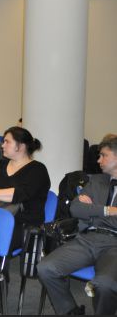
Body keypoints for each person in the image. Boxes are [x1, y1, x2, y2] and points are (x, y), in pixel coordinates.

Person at [37, 134, 117, 315]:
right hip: (88, 238)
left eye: (104, 155)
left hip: (114, 245)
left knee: (104, 284)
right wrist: (108, 211)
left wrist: (92, 212)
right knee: (46, 268)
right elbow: (76, 209)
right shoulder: (96, 180)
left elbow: (86, 212)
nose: (98, 160)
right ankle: (70, 311)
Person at [0, 126, 50, 314]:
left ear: (20, 146)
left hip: (23, 224)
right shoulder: (0, 164)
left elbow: (19, 194)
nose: (2, 145)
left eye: (7, 141)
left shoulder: (38, 170)